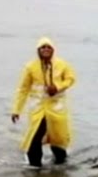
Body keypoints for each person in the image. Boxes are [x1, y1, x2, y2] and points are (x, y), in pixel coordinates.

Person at [11, 37, 76, 168]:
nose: (46, 49)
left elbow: (71, 79)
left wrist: (57, 87)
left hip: (57, 110)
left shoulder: (62, 65)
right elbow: (23, 89)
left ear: (53, 50)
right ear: (38, 50)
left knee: (58, 142)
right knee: (34, 139)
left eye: (48, 47)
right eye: (43, 47)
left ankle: (61, 168)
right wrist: (16, 110)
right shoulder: (30, 67)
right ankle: (35, 170)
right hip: (39, 109)